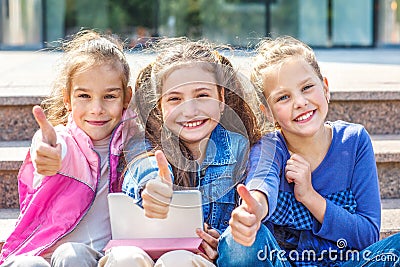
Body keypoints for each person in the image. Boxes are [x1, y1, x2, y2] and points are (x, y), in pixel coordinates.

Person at [216, 36, 400, 266]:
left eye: (307, 88)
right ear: (268, 112)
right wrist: (253, 210)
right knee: (242, 242)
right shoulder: (270, 147)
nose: (300, 102)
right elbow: (262, 182)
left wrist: (310, 197)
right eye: (283, 97)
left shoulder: (354, 141)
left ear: (325, 88)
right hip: (282, 262)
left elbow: (367, 236)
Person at [102, 37, 263, 266]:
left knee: (179, 260)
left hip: (205, 261)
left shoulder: (240, 148)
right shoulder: (143, 144)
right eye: (175, 99)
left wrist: (222, 240)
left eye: (202, 95)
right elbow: (144, 167)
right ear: (160, 107)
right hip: (147, 256)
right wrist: (152, 186)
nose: (190, 109)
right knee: (125, 258)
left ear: (221, 99)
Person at [0, 29, 137, 267]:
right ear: (67, 99)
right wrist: (47, 156)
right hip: (40, 254)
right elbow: (50, 146)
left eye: (110, 96)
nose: (97, 108)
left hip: (95, 259)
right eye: (84, 95)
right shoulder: (60, 139)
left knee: (73, 254)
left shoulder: (134, 145)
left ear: (127, 98)